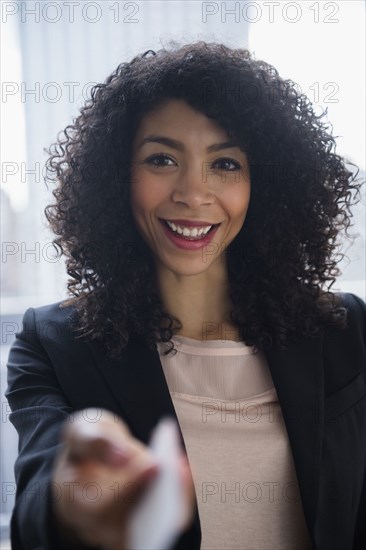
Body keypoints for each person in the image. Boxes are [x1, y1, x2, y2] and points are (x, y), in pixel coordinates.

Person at [6, 41, 366, 550]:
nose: (193, 193)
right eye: (162, 158)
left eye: (225, 165)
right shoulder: (53, 343)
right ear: (116, 179)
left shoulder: (345, 331)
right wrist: (75, 499)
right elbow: (36, 513)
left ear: (263, 184)